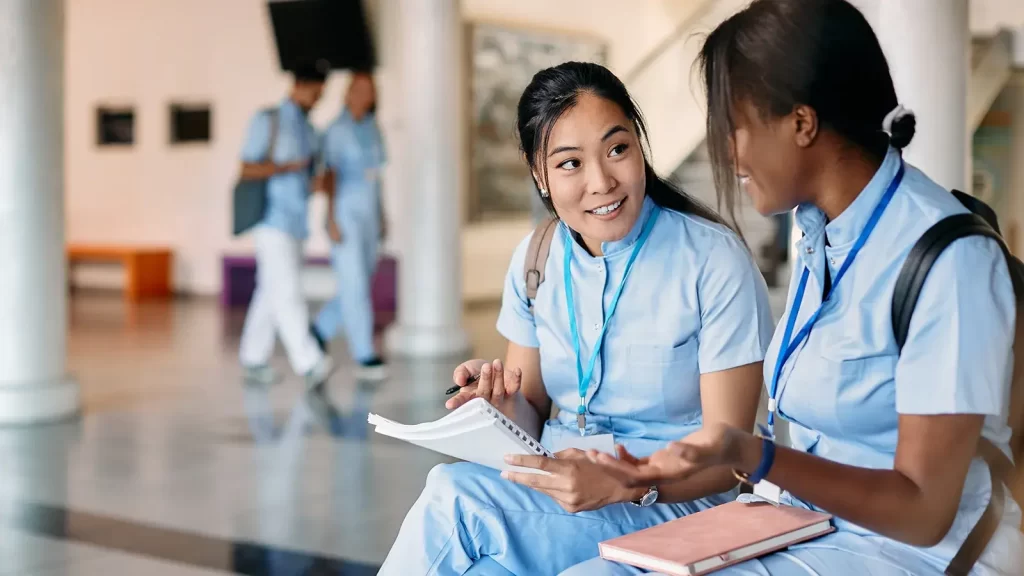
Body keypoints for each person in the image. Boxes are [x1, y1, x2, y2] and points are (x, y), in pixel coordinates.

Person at [567, 0, 1023, 574]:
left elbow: (926, 512)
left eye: (734, 128)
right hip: (807, 523)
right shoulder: (819, 235)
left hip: (915, 553)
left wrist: (755, 456)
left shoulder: (950, 260)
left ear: (802, 124)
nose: (725, 153)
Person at [377, 61, 776, 575]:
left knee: (454, 498)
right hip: (561, 495)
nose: (602, 182)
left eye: (617, 149)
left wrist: (628, 482)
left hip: (676, 504)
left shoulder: (713, 261)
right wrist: (500, 405)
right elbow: (534, 412)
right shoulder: (535, 258)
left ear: (639, 144)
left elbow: (731, 463)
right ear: (538, 171)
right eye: (570, 164)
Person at [238, 68, 334, 390]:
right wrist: (287, 167)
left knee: (270, 291)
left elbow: (307, 183)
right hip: (270, 220)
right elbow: (247, 167)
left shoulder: (310, 131)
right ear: (299, 84)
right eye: (316, 92)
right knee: (288, 290)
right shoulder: (268, 120)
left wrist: (319, 184)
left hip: (297, 223)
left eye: (322, 94)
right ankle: (309, 361)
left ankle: (252, 358)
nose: (318, 99)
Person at [310, 72, 388, 380]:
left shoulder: (373, 128)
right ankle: (364, 354)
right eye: (358, 89)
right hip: (344, 213)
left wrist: (383, 215)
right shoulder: (336, 131)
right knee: (354, 282)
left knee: (360, 280)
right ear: (348, 93)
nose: (363, 95)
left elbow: (377, 176)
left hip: (369, 213)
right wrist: (330, 219)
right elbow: (329, 176)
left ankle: (318, 329)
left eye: (368, 90)